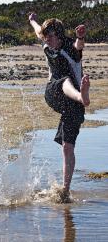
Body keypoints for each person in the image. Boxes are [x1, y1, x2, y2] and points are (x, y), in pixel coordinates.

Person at [29, 13, 90, 201]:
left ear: (60, 35)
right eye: (46, 36)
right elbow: (38, 30)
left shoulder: (69, 48)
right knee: (64, 80)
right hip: (54, 93)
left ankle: (65, 190)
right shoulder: (45, 40)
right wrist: (32, 19)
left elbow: (78, 46)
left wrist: (80, 36)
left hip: (74, 107)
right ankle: (81, 95)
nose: (48, 40)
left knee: (67, 147)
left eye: (52, 36)